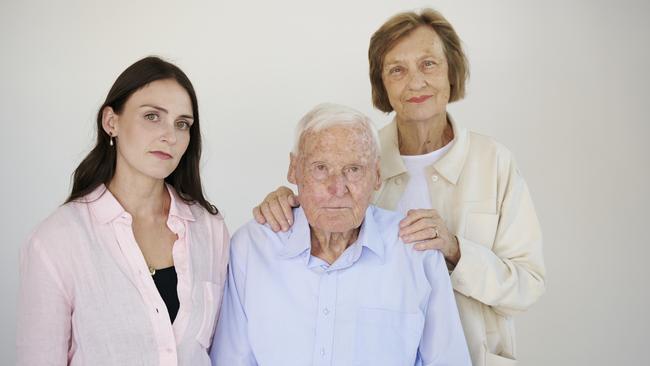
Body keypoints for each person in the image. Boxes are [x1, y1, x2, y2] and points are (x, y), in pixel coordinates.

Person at [253, 9, 545, 366]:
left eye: (428, 64)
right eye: (397, 70)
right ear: (383, 85)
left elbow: (527, 287)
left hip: (475, 355)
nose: (415, 82)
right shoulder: (357, 160)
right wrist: (289, 201)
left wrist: (455, 251)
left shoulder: (494, 162)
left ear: (451, 71)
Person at [211, 103, 471, 366]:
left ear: (377, 175)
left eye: (354, 169)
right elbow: (232, 360)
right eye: (320, 168)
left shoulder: (415, 248)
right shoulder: (253, 246)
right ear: (294, 169)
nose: (337, 188)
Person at [16, 56, 229, 366]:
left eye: (182, 124)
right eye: (153, 116)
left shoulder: (209, 229)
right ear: (111, 122)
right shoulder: (56, 241)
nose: (169, 136)